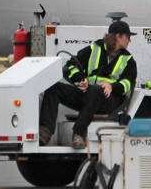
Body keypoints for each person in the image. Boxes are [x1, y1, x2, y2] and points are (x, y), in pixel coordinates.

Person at [39, 20, 137, 150]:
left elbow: (128, 84)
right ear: (119, 36)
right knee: (54, 87)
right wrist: (80, 79)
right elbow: (70, 66)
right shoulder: (94, 49)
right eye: (128, 37)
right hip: (88, 96)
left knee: (95, 90)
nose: (129, 40)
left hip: (109, 101)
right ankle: (45, 132)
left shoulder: (128, 60)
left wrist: (112, 86)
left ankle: (79, 133)